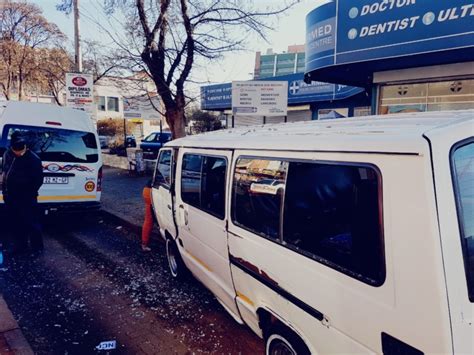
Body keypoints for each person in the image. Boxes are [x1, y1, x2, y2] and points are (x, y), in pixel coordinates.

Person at [2, 131, 44, 254]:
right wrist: (5, 191)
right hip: (10, 196)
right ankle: (20, 246)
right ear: (11, 148)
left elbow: (38, 180)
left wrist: (28, 194)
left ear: (25, 146)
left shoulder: (33, 159)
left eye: (21, 150)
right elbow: (5, 172)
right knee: (16, 222)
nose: (18, 153)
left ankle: (37, 247)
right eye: (15, 150)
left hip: (27, 197)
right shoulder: (7, 154)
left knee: (32, 223)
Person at [141, 179, 154, 252]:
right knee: (149, 220)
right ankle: (144, 244)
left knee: (149, 219)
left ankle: (144, 243)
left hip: (147, 190)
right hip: (151, 192)